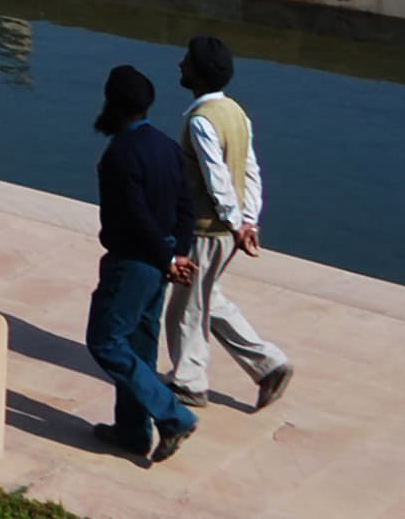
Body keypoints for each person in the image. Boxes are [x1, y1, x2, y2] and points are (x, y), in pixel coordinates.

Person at [169, 35, 296, 410]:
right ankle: (268, 365)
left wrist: (234, 219)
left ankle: (189, 382)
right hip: (227, 231)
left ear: (199, 74)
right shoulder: (237, 113)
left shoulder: (201, 121)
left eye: (187, 61)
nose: (180, 65)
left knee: (186, 309)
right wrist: (248, 220)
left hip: (205, 231)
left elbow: (217, 177)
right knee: (209, 298)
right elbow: (251, 169)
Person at [88, 62, 198, 465]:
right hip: (161, 266)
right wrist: (176, 255)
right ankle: (133, 434)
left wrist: (166, 256)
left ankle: (172, 417)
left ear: (114, 105)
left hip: (132, 264)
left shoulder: (119, 155)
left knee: (105, 341)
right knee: (140, 349)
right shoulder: (167, 147)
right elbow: (186, 207)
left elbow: (135, 217)